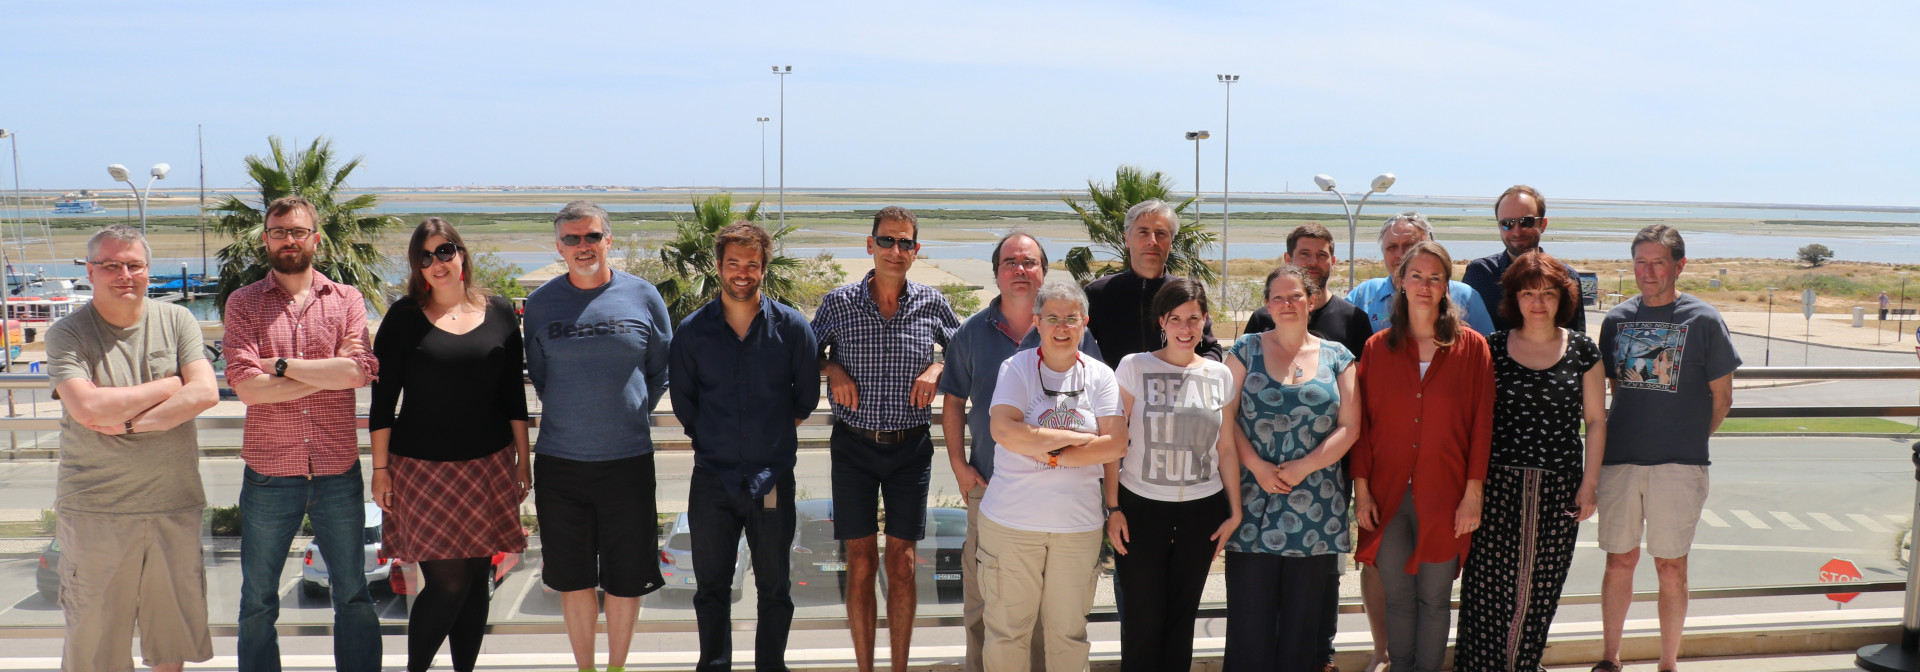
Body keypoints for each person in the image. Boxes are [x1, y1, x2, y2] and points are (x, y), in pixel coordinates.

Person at [49, 225, 220, 672]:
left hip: (173, 505)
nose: (124, 274)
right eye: (111, 265)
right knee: (95, 650)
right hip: (96, 512)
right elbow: (87, 406)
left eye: (135, 265)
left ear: (147, 270)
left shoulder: (177, 320)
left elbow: (204, 393)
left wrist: (123, 423)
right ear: (90, 271)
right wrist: (168, 385)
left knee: (171, 648)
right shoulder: (68, 333)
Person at [225, 196, 381, 672]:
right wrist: (324, 371)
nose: (288, 240)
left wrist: (282, 367)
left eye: (297, 231)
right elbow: (248, 388)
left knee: (353, 594)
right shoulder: (244, 302)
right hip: (270, 475)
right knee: (257, 600)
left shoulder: (347, 298)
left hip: (337, 471)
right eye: (279, 232)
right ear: (266, 240)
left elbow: (359, 372)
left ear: (316, 238)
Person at [370, 218, 531, 672]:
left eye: (444, 251)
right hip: (422, 468)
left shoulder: (499, 312)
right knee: (448, 582)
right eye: (425, 256)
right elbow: (383, 404)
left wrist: (523, 460)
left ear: (461, 254)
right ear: (417, 268)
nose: (437, 263)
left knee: (478, 578)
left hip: (490, 463)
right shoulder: (402, 319)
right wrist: (380, 470)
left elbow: (513, 395)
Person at [939, 231, 1100, 672]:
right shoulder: (971, 332)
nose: (1021, 270)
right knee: (985, 611)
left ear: (1044, 272)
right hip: (990, 491)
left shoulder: (1070, 328)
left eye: (1030, 262)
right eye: (1010, 262)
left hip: (1062, 498)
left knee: (1054, 619)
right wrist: (959, 466)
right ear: (996, 273)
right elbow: (952, 400)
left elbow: (1101, 408)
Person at [522, 200, 671, 672]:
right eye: (571, 239)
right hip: (560, 463)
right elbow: (540, 376)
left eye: (591, 237)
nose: (582, 247)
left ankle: (616, 667)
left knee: (628, 578)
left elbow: (660, 369)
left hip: (627, 460)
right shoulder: (543, 303)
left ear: (609, 240)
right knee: (573, 578)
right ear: (559, 246)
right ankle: (586, 667)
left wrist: (625, 412)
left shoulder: (643, 296)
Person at [812, 206, 961, 672]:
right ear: (869, 244)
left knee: (902, 563)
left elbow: (962, 351)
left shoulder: (932, 302)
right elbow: (804, 353)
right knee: (859, 563)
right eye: (886, 241)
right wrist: (832, 368)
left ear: (916, 251)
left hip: (911, 447)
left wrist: (938, 366)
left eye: (905, 243)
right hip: (853, 446)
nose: (895, 251)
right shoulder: (839, 302)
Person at [670, 221, 821, 671]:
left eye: (751, 264)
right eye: (733, 263)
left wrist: (765, 434)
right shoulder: (693, 332)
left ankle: (770, 666)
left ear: (763, 268)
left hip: (771, 479)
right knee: (711, 588)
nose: (742, 272)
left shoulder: (792, 328)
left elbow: (805, 399)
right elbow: (685, 405)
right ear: (719, 266)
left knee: (775, 587)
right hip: (712, 479)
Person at [1593, 225, 1739, 672]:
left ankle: (1668, 663)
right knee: (1619, 562)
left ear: (1679, 265)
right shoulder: (1616, 320)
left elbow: (1723, 399)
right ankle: (1610, 658)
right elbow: (1617, 388)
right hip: (1620, 461)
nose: (1647, 271)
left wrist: (1687, 439)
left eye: (1658, 262)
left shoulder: (1705, 320)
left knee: (1670, 568)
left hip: (1679, 465)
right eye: (1640, 261)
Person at [1454, 250, 1606, 672]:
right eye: (1527, 293)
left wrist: (1589, 485)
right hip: (1497, 489)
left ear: (1562, 298)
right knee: (1487, 592)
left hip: (1558, 492)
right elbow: (1473, 421)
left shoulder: (1582, 351)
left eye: (1547, 293)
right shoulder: (1493, 348)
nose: (1537, 302)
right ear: (1513, 298)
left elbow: (1595, 422)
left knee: (1539, 593)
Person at [1239, 223, 1376, 672]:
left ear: (1312, 299)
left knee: (1305, 626)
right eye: (1277, 297)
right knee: (1252, 624)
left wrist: (1305, 467)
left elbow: (1352, 425)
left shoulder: (1339, 353)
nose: (1286, 304)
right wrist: (1258, 466)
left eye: (1295, 296)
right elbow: (1222, 419)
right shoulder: (1244, 350)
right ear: (1266, 304)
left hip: (1317, 501)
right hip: (1254, 497)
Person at [1352, 240, 1494, 672]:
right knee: (1398, 599)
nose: (1425, 285)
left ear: (1447, 286)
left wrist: (1473, 495)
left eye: (1435, 278)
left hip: (1447, 496)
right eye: (1416, 276)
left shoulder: (1472, 349)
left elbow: (1481, 428)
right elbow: (1363, 428)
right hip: (1387, 495)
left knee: (1434, 600)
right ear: (1401, 281)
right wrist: (1361, 491)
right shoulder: (1377, 348)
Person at [981, 279, 1127, 671]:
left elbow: (1115, 446)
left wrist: (1045, 452)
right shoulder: (1016, 368)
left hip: (1077, 529)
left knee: (1068, 635)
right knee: (1008, 634)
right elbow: (1004, 431)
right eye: (1052, 319)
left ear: (1085, 323)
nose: (1062, 328)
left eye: (1071, 319)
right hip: (1011, 525)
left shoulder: (1101, 376)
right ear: (1037, 323)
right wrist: (1077, 440)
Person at [1106, 277, 1241, 672]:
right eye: (1177, 318)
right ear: (1162, 321)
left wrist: (1234, 512)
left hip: (1202, 511)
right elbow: (1114, 444)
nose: (1186, 328)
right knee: (1143, 620)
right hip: (1140, 507)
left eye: (1194, 319)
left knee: (1183, 619)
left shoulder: (1220, 376)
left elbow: (1227, 447)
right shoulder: (1134, 367)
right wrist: (1112, 507)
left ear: (1205, 322)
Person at [1084, 199, 1224, 369]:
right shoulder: (1098, 293)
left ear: (1171, 242)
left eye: (1161, 233)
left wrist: (1196, 374)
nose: (1153, 241)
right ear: (1127, 239)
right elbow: (1080, 349)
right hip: (1116, 393)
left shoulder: (1186, 293)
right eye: (1143, 232)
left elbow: (1210, 349)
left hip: (1176, 392)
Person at [1462, 185, 1589, 333]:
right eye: (1507, 223)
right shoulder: (1479, 274)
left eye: (1526, 222)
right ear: (1499, 227)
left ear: (1543, 224)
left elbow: (1576, 338)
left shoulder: (1566, 277)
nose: (1517, 231)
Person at [1348, 212, 1496, 336]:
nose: (1401, 255)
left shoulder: (1466, 297)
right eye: (1392, 247)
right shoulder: (1364, 295)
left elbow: (1486, 355)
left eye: (1410, 246)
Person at [1240, 222, 1373, 357]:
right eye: (1304, 253)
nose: (1313, 262)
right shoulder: (1262, 319)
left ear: (1333, 262)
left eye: (1322, 255)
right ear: (1288, 259)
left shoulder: (1355, 320)